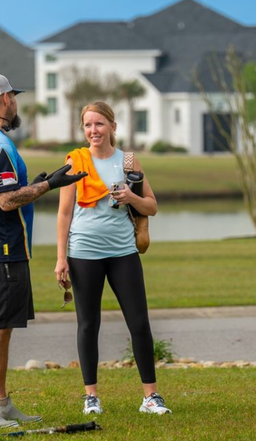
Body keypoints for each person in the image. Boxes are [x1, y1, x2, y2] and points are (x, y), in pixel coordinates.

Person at [0, 74, 87, 427]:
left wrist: (31, 185)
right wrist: (48, 185)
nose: (16, 103)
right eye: (13, 98)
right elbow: (4, 199)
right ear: (4, 102)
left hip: (0, 246)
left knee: (6, 324)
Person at [55, 101, 171, 416]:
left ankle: (151, 397)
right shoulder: (75, 162)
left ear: (112, 127)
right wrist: (60, 258)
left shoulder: (129, 161)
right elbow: (64, 214)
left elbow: (152, 206)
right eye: (88, 125)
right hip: (83, 254)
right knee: (88, 325)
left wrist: (132, 197)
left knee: (139, 324)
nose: (93, 131)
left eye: (99, 124)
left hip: (123, 253)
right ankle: (91, 396)